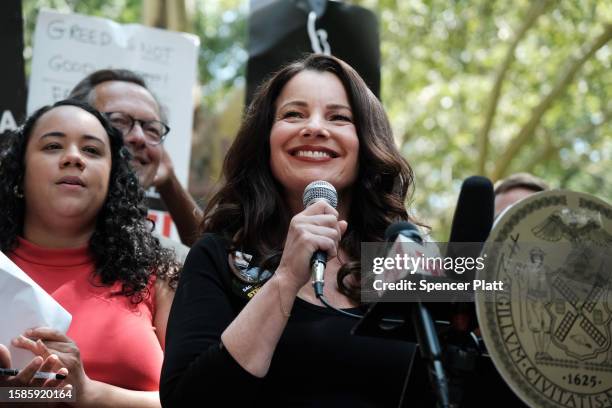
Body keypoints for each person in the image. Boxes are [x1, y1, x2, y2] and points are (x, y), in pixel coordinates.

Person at [160, 54, 417, 406]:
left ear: (367, 143)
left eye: (339, 117)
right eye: (293, 114)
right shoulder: (218, 257)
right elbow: (187, 400)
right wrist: (285, 278)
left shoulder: (405, 260)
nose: (314, 128)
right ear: (266, 139)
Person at [0, 99, 179, 407]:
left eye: (92, 151)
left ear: (112, 181)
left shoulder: (156, 275)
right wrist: (12, 395)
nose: (73, 158)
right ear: (19, 174)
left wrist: (88, 392)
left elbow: (204, 396)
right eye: (53, 146)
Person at [69, 69, 201, 253]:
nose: (139, 137)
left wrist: (170, 182)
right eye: (119, 121)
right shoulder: (21, 250)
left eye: (152, 129)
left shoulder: (172, 264)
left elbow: (227, 271)